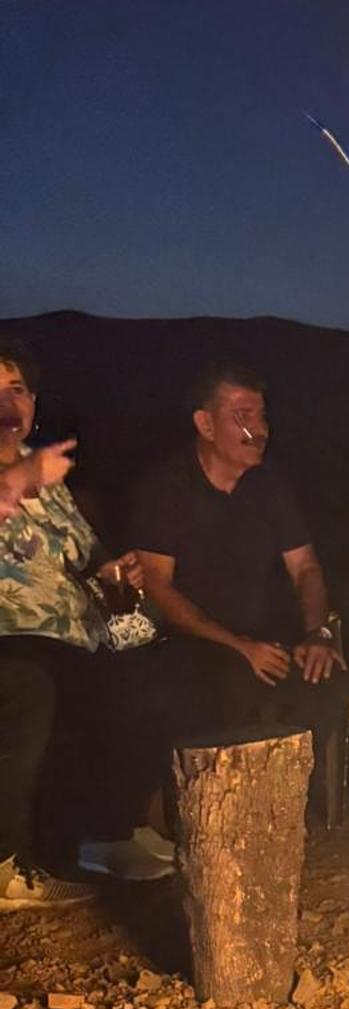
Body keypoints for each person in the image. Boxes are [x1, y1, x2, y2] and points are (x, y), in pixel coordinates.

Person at [131, 362, 348, 814]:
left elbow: (306, 567)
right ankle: (202, 812)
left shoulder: (271, 484)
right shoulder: (166, 488)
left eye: (262, 416)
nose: (258, 429)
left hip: (268, 641)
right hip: (193, 642)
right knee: (220, 685)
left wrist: (316, 635)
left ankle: (278, 812)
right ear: (205, 424)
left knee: (325, 683)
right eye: (242, 416)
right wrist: (239, 645)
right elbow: (157, 587)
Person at [0, 339, 170, 907]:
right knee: (34, 680)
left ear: (34, 404)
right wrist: (19, 479)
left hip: (75, 636)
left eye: (17, 388)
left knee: (156, 674)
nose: (8, 400)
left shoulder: (51, 485)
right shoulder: (27, 475)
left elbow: (91, 561)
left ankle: (108, 834)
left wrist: (120, 573)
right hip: (12, 639)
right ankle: (6, 865)